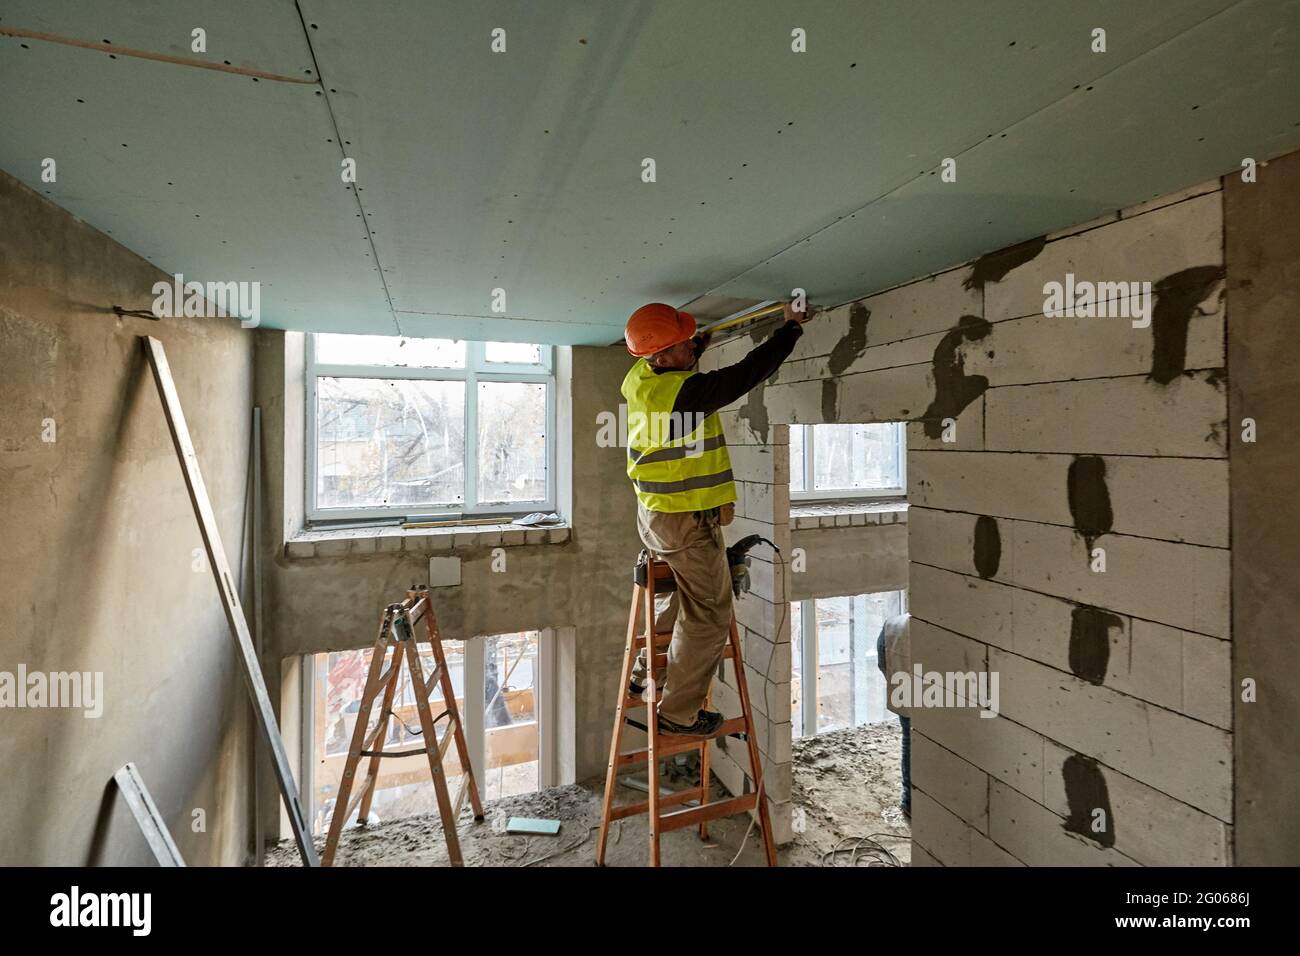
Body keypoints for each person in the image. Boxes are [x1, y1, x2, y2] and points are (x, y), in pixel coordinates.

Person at [621, 299, 811, 736]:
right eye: (684, 344)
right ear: (664, 356)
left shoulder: (642, 377)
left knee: (683, 593)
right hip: (683, 521)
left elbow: (683, 377)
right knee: (710, 611)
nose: (692, 347)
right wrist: (790, 329)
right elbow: (744, 375)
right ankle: (678, 714)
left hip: (659, 516)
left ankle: (645, 673)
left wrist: (696, 344)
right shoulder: (682, 395)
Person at [877, 612, 913, 817]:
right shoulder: (947, 627)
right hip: (941, 700)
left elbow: (883, 664)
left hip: (906, 695)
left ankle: (910, 801)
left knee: (909, 742)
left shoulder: (893, 625)